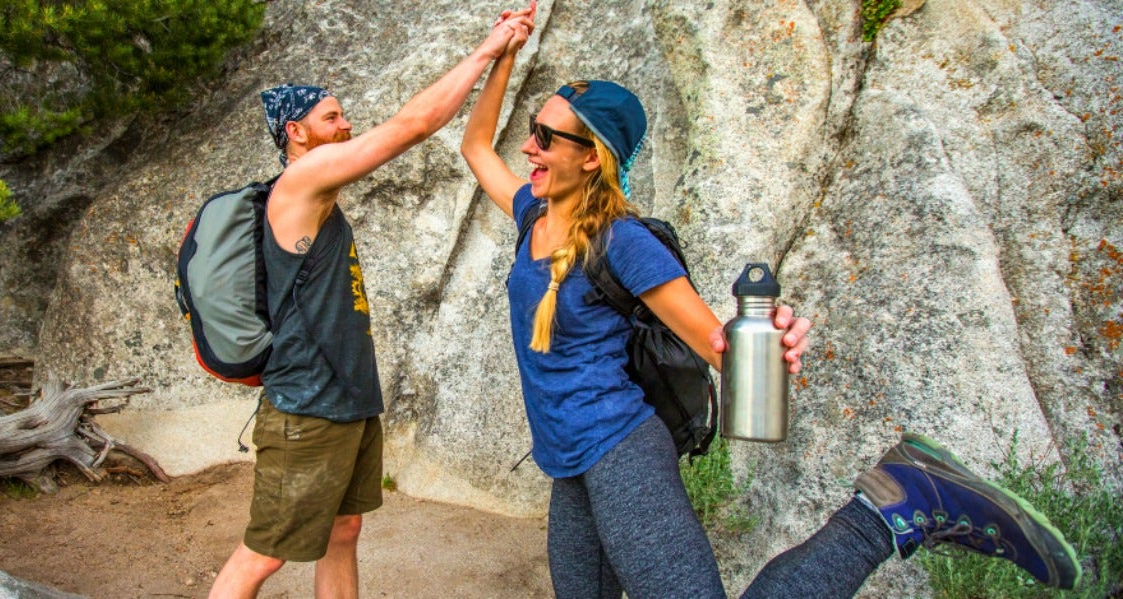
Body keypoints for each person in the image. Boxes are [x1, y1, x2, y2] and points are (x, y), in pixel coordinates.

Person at [459, 16, 1082, 598]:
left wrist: (765, 336)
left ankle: (891, 507)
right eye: (533, 133)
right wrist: (503, 55)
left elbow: (715, 343)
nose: (529, 149)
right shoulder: (532, 216)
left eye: (545, 137)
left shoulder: (624, 241)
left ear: (591, 155)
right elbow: (476, 147)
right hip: (568, 460)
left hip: (621, 451)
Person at [207, 7, 536, 599]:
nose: (346, 124)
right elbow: (412, 125)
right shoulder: (302, 181)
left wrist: (505, 55)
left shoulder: (321, 189)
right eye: (331, 117)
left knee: (344, 529)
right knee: (263, 554)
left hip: (346, 397)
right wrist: (487, 49)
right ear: (296, 133)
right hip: (307, 402)